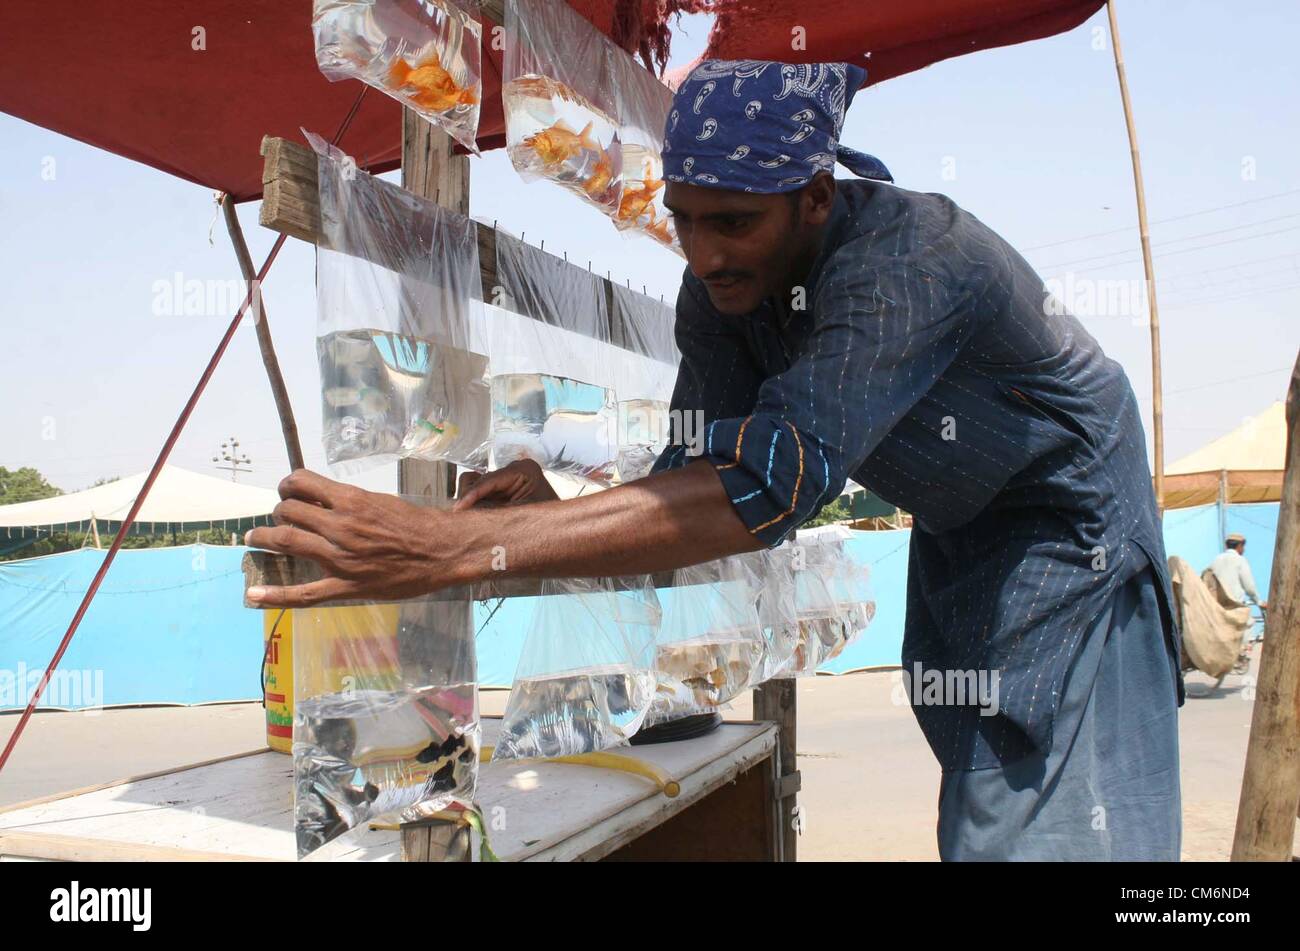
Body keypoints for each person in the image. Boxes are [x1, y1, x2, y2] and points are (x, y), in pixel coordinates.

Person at [246, 60, 1184, 861]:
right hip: (964, 535)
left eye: (733, 222)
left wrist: (444, 552)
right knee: (986, 801)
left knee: (1052, 822)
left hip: (1075, 536)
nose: (704, 253)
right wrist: (547, 505)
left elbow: (765, 490)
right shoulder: (726, 296)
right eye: (685, 221)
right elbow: (689, 489)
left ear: (814, 199)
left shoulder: (908, 265)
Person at [1208, 534, 1267, 611]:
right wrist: (1258, 601)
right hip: (1235, 607)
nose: (1244, 550)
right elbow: (1249, 587)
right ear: (1239, 546)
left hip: (1218, 608)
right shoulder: (1240, 560)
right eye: (1243, 547)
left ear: (1226, 545)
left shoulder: (1215, 561)